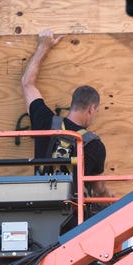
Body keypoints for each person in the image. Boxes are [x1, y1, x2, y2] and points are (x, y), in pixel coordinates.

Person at [21, 29, 113, 200]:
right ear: (91, 109)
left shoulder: (45, 122)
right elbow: (99, 190)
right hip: (74, 216)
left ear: (72, 104)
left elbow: (27, 84)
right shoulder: (94, 145)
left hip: (39, 205)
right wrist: (115, 201)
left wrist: (43, 46)